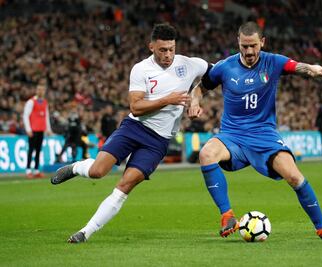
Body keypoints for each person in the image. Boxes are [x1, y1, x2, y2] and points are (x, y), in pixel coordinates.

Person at [50, 23, 209, 243]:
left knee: (125, 185)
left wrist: (195, 99)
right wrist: (167, 100)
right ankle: (76, 167)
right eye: (163, 50)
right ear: (151, 46)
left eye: (171, 49)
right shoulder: (141, 69)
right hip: (133, 128)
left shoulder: (190, 64)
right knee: (98, 171)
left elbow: (214, 75)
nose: (168, 54)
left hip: (158, 141)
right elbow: (135, 107)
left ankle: (86, 231)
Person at [188, 22, 322, 240]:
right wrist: (194, 103)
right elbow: (199, 88)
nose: (249, 51)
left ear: (262, 42)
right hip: (233, 136)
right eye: (244, 46)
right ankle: (227, 215)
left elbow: (299, 66)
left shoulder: (273, 61)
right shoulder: (224, 67)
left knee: (294, 177)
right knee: (206, 154)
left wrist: (316, 69)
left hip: (264, 136)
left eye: (253, 46)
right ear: (238, 43)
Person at [23, 81, 52, 178]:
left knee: (38, 150)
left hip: (41, 129)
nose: (41, 91)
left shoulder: (44, 102)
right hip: (33, 129)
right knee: (31, 150)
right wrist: (28, 129)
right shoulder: (31, 102)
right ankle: (28, 170)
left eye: (43, 90)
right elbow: (26, 115)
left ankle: (36, 170)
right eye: (39, 89)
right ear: (36, 90)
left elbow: (46, 116)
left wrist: (48, 129)